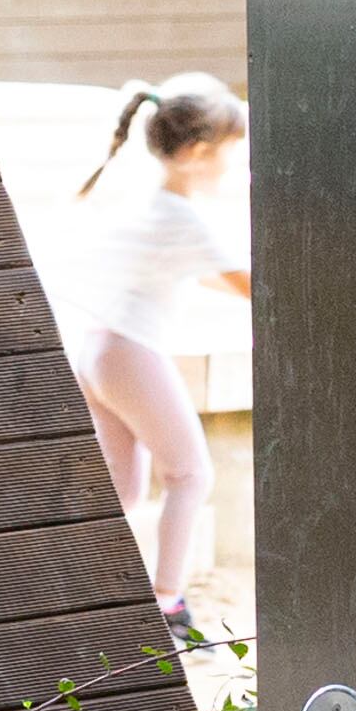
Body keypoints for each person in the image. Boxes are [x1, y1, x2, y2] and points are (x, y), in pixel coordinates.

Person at [61, 73, 251, 645]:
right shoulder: (183, 217)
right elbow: (252, 286)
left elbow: (206, 277)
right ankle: (167, 604)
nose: (233, 168)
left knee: (125, 487)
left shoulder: (156, 204)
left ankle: (88, 595)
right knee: (190, 473)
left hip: (96, 344)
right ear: (197, 154)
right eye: (229, 154)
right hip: (126, 348)